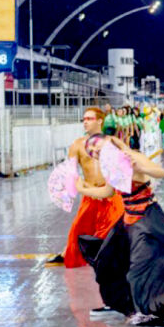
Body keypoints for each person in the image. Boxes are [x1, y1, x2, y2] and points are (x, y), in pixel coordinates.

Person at [76, 135, 164, 327]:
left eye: (99, 148)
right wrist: (84, 189)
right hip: (128, 220)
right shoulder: (110, 167)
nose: (96, 154)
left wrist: (141, 169)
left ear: (111, 144)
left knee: (150, 268)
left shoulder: (131, 156)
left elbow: (159, 172)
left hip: (147, 218)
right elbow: (108, 192)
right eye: (93, 153)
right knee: (108, 260)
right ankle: (119, 304)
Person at [45, 107, 124, 267]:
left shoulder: (112, 143)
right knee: (78, 229)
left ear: (100, 121)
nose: (85, 122)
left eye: (89, 119)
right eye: (84, 119)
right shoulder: (77, 145)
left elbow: (120, 170)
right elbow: (71, 173)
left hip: (110, 195)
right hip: (89, 194)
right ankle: (67, 253)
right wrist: (85, 186)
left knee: (117, 229)